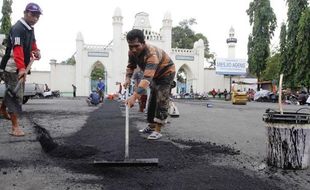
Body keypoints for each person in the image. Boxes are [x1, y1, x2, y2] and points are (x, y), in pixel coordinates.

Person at [123, 29, 175, 140]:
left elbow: (146, 78)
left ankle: (158, 130)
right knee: (152, 99)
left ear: (143, 42)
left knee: (161, 98)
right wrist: (127, 78)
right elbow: (131, 66)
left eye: (136, 46)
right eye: (130, 46)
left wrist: (134, 97)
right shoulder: (132, 52)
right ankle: (151, 126)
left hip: (166, 72)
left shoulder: (151, 54)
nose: (133, 49)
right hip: (155, 75)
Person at [0, 3, 42, 137]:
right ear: (25, 13)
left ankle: (1, 109)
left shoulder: (30, 28)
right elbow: (17, 50)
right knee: (16, 96)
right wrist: (21, 69)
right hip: (12, 66)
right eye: (32, 14)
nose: (35, 18)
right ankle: (15, 127)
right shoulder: (18, 28)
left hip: (20, 66)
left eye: (37, 16)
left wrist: (36, 51)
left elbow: (33, 42)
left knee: (12, 91)